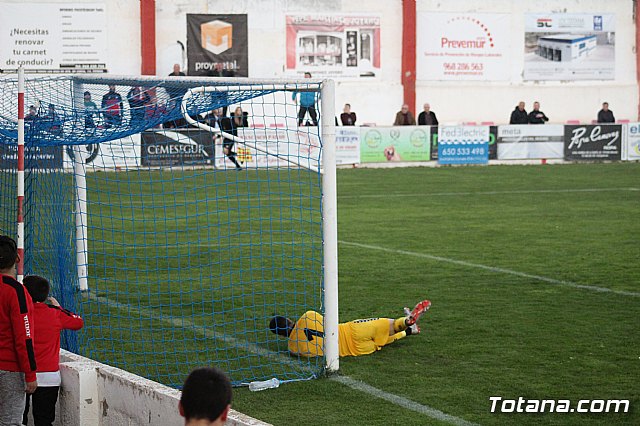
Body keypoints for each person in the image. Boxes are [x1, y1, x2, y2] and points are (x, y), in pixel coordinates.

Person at [269, 299, 431, 358]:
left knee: (378, 343)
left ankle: (409, 331)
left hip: (354, 351)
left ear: (280, 335)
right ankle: (406, 322)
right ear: (289, 319)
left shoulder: (293, 348)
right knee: (384, 325)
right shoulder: (307, 316)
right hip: (351, 331)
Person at [22, 275, 83, 426]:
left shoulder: (20, 313)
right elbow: (78, 322)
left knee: (17, 419)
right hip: (49, 377)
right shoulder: (55, 313)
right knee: (44, 421)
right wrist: (59, 308)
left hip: (22, 374)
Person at [0, 235, 37, 426]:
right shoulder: (16, 291)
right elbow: (24, 337)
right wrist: (30, 374)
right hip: (9, 370)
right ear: (17, 258)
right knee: (10, 422)